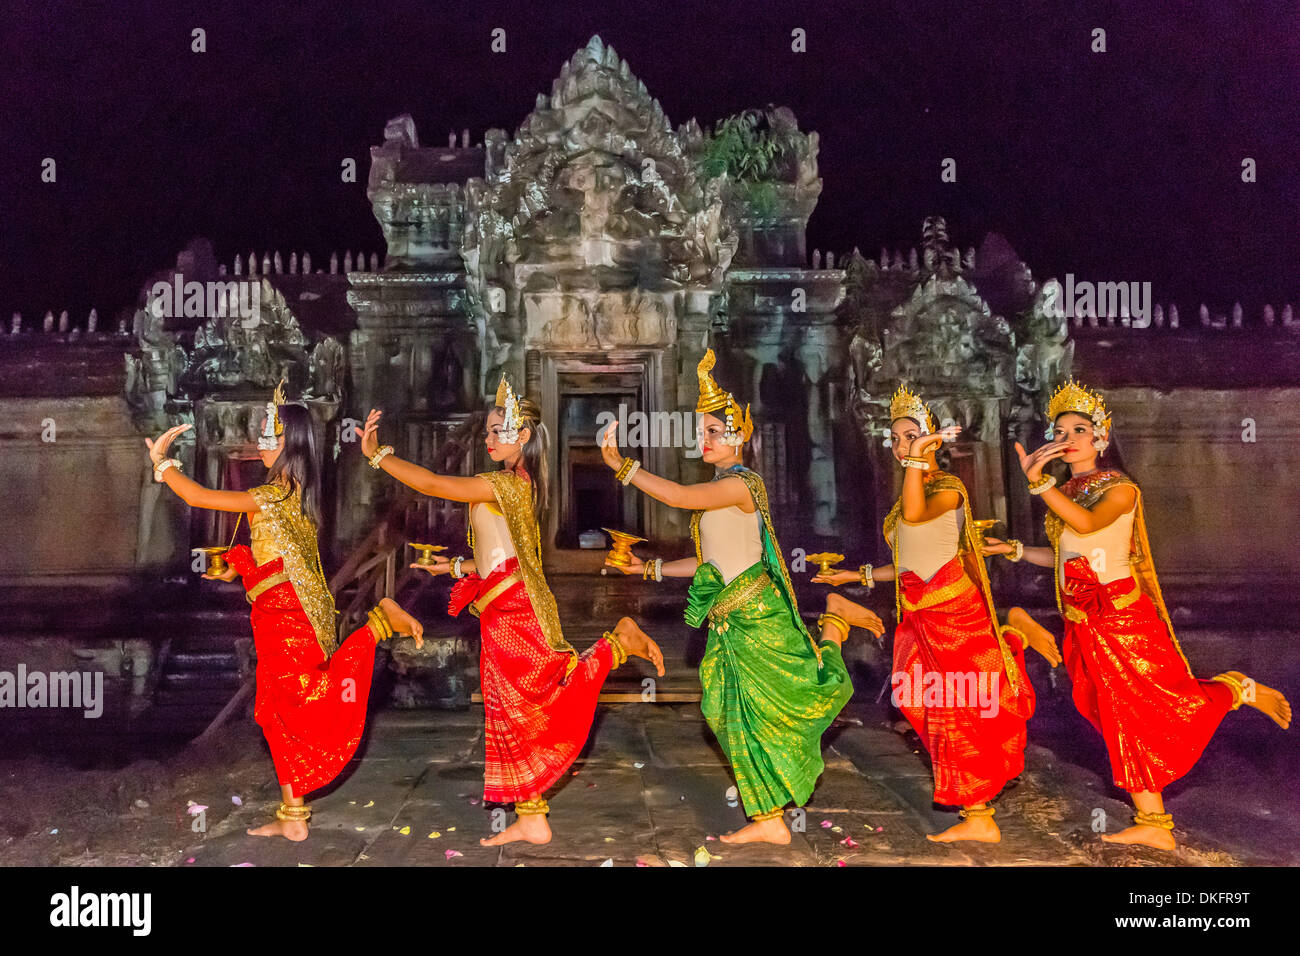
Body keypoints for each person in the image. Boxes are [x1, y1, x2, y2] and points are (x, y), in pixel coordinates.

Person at [984, 378, 1292, 849]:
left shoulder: (1120, 489)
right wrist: (1017, 549)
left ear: (1101, 436)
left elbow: (1087, 524)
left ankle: (1234, 689)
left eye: (1079, 429)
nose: (1068, 439)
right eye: (1060, 430)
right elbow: (1069, 552)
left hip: (1123, 619)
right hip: (1084, 619)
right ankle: (1154, 822)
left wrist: (1039, 483)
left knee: (1153, 709)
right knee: (1114, 717)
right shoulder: (1070, 491)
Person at [360, 374, 664, 847]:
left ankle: (616, 646)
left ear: (521, 436)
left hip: (514, 611)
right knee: (512, 710)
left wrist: (379, 456)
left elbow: (435, 483)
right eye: (486, 430)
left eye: (496, 430)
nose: (486, 439)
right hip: (503, 605)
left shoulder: (506, 483)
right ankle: (532, 815)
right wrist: (457, 565)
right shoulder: (518, 483)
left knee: (534, 705)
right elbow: (503, 551)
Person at [146, 382, 423, 841]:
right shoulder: (289, 494)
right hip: (279, 612)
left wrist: (163, 464)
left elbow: (198, 498)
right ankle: (293, 817)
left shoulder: (274, 495)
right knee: (277, 710)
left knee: (301, 702)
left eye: (272, 436)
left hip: (288, 620)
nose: (262, 443)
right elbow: (278, 561)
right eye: (263, 434)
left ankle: (379, 621)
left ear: (292, 444)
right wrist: (237, 569)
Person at [603, 348, 853, 845]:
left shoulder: (742, 484)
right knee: (723, 709)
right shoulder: (720, 491)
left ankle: (835, 629)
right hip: (728, 619)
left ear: (740, 434)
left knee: (781, 708)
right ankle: (770, 821)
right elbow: (707, 562)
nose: (705, 439)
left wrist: (620, 466)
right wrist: (647, 566)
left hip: (758, 616)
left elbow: (675, 496)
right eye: (702, 432)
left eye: (714, 431)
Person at [815, 385, 1055, 842]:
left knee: (967, 708)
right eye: (897, 438)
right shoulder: (909, 494)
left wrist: (918, 463)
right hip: (919, 617)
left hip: (953, 610)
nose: (902, 445)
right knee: (918, 701)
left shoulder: (949, 489)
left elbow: (916, 518)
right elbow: (907, 557)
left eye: (912, 436)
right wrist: (856, 577)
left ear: (933, 441)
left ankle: (979, 813)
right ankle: (975, 808)